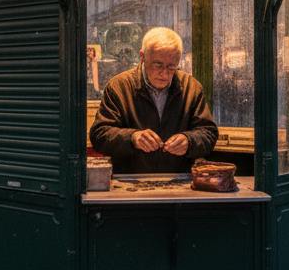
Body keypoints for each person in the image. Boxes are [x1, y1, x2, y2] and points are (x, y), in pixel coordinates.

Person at [89, 27, 219, 174]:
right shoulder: (119, 87)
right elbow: (99, 136)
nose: (164, 73)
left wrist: (189, 141)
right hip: (129, 182)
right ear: (142, 56)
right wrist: (132, 138)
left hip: (178, 181)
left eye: (171, 67)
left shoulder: (191, 87)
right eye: (158, 66)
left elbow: (209, 133)